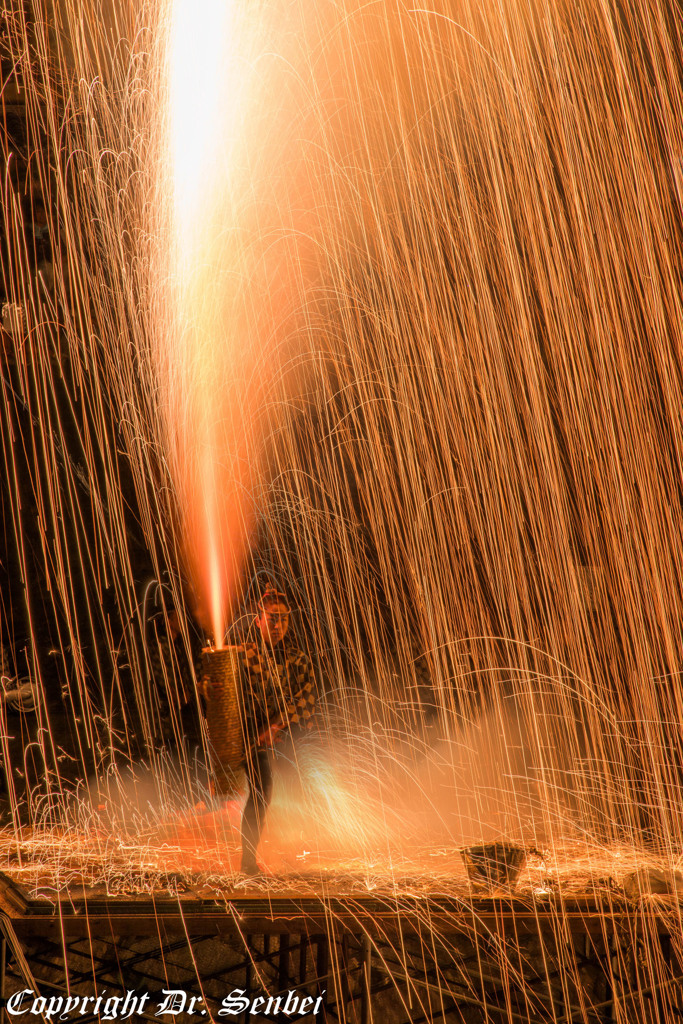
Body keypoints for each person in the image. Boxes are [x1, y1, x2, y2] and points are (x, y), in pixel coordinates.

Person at [237, 588, 316, 876]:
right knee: (262, 790)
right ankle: (247, 859)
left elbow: (306, 700)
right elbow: (229, 697)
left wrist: (277, 726)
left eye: (283, 619)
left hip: (282, 737)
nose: (277, 625)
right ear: (258, 620)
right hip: (248, 738)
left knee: (304, 786)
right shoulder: (243, 657)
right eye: (272, 618)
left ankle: (297, 848)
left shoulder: (297, 660)